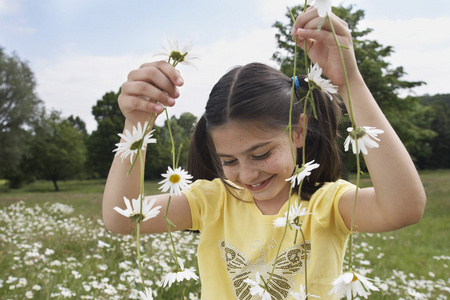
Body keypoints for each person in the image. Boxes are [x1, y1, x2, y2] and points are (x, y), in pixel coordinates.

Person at [102, 8, 426, 299]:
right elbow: (121, 217)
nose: (247, 174)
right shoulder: (213, 202)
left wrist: (350, 82)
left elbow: (404, 207)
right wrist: (137, 124)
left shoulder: (325, 205)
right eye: (229, 161)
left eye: (260, 154)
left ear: (297, 132)